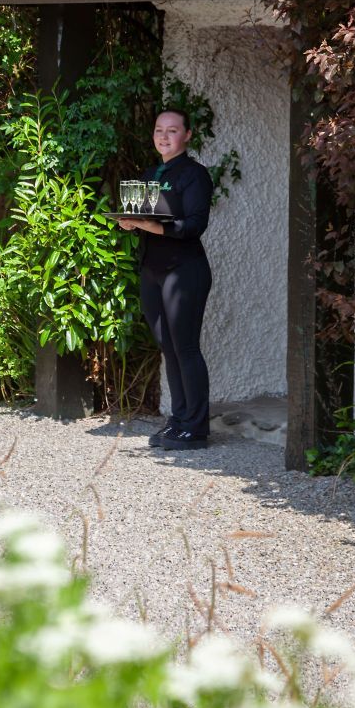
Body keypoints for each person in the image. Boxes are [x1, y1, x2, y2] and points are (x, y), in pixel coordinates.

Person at [117, 108, 213, 451]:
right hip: (153, 270)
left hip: (184, 270)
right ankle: (180, 419)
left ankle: (196, 429)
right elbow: (146, 219)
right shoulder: (150, 174)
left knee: (185, 347)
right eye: (159, 130)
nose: (164, 136)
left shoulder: (195, 175)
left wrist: (148, 225)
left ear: (187, 135)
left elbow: (193, 226)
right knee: (169, 348)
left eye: (172, 131)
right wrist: (130, 222)